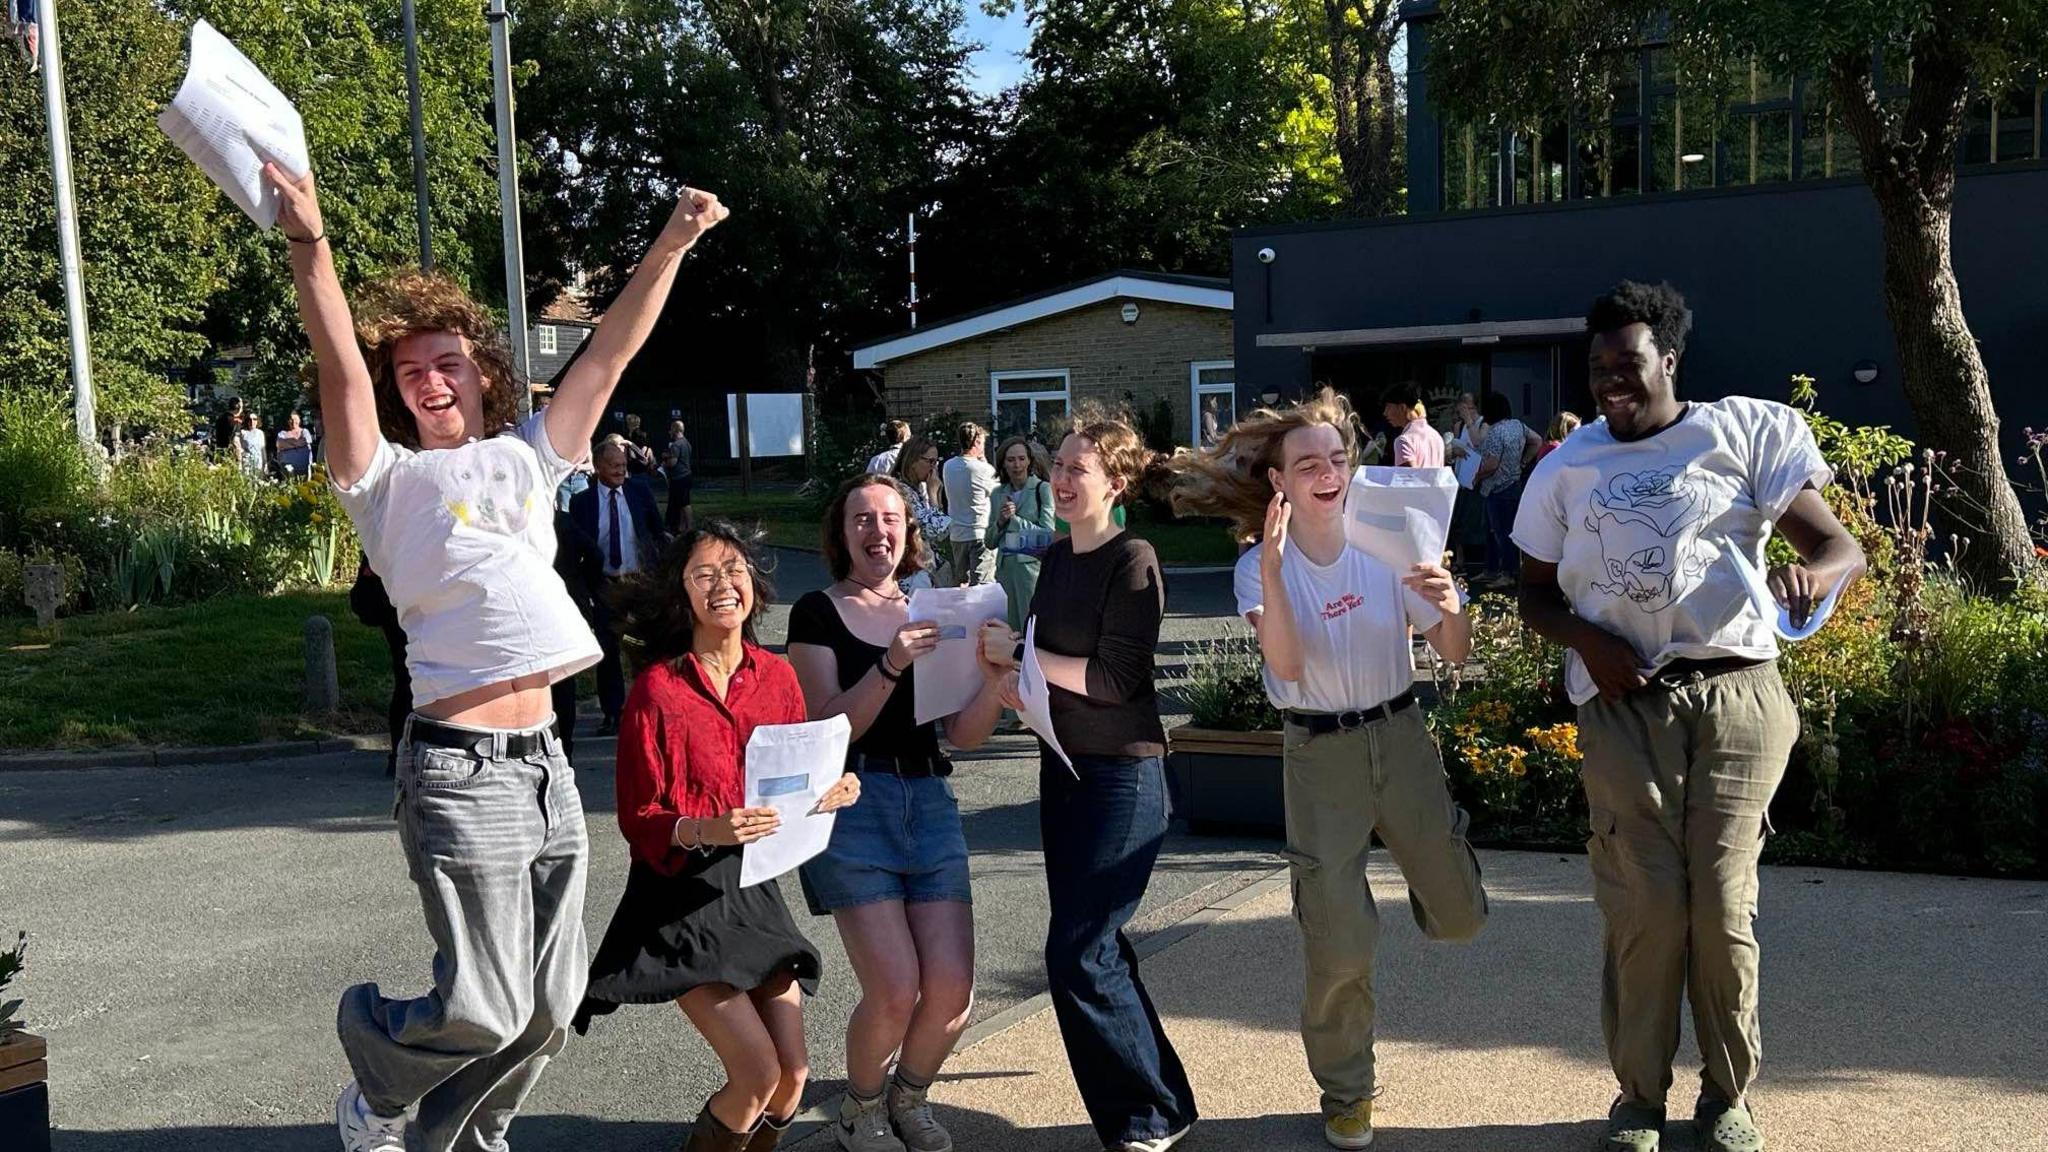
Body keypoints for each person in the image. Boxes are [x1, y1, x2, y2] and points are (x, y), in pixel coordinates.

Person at [261, 155, 725, 1152]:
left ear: (484, 372)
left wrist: (673, 242)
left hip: (547, 768)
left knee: (549, 1011)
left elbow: (605, 354)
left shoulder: (527, 455)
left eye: (449, 363)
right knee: (480, 1003)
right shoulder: (377, 480)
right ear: (396, 394)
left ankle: (457, 1138)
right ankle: (376, 1068)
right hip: (458, 770)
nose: (431, 380)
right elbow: (338, 358)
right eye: (411, 371)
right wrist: (311, 243)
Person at [1513, 281, 1865, 1152]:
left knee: (1722, 904)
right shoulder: (1566, 467)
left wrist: (1812, 579)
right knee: (1647, 904)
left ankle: (1727, 1096)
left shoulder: (1743, 432)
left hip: (1739, 692)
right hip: (1625, 703)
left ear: (1669, 359)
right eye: (1597, 369)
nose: (1608, 384)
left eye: (1626, 364)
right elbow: (1531, 596)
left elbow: (1837, 546)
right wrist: (1587, 644)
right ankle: (1639, 1099)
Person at [1169, 389, 1486, 1150]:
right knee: (1339, 940)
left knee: (1463, 916)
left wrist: (1448, 605)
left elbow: (1454, 652)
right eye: (1307, 462)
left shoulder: (1390, 540)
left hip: (1401, 734)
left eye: (1338, 458)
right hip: (1319, 755)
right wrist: (1275, 573)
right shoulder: (1256, 570)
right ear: (1279, 480)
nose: (1328, 472)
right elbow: (1286, 662)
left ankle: (1427, 850)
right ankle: (1348, 1092)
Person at [575, 521, 860, 1152]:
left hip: (754, 890)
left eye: (733, 570)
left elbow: (791, 785)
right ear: (683, 595)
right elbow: (638, 816)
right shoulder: (657, 689)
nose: (722, 584)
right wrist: (704, 826)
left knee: (792, 1079)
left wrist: (833, 793)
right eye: (703, 574)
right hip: (680, 894)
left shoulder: (778, 678)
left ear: (753, 585)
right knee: (755, 1074)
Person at [981, 407, 1197, 1152]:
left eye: (1080, 468)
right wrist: (1020, 689)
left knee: (1077, 950)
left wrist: (1024, 659)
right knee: (1099, 946)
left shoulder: (1131, 557)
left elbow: (1114, 678)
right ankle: (1162, 1103)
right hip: (1064, 770)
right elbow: (1058, 677)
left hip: (1122, 777)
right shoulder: (1060, 561)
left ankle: (1146, 1118)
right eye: (1059, 465)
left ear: (1115, 482)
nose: (1062, 478)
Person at [788, 474, 1010, 1152]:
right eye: (862, 518)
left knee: (950, 993)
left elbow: (963, 735)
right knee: (893, 989)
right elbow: (829, 726)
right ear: (842, 532)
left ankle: (907, 1098)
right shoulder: (816, 613)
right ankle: (860, 1110)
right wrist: (889, 662)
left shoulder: (933, 609)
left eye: (889, 518)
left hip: (930, 801)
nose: (876, 530)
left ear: (909, 533)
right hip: (854, 804)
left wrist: (997, 675)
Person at [572, 437, 672, 736]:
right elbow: (578, 548)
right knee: (606, 650)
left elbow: (656, 531)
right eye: (613, 465)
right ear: (598, 466)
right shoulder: (582, 503)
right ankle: (613, 712)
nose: (619, 471)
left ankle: (649, 707)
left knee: (643, 647)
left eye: (623, 466)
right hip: (604, 585)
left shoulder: (639, 491)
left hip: (639, 582)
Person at [985, 436, 1054, 632]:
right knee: (1008, 629)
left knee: (1031, 627)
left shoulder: (1042, 489)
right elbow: (989, 542)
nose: (1017, 465)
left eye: (1021, 459)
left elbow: (1046, 534)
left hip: (1030, 572)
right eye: (1011, 460)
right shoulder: (998, 493)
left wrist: (1015, 521)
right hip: (1005, 570)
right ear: (1003, 464)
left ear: (1030, 461)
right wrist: (1000, 522)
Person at [1474, 392, 1541, 587]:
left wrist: (1477, 476)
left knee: (1500, 532)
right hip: (1513, 484)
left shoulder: (1495, 432)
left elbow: (1492, 465)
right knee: (1502, 531)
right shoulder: (1518, 426)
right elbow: (1537, 440)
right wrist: (1523, 462)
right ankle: (1494, 570)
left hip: (1497, 487)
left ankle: (1507, 573)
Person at [940, 422, 999, 587]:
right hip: (980, 532)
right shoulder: (983, 469)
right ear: (977, 442)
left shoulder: (948, 466)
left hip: (957, 534)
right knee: (982, 586)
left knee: (962, 585)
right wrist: (986, 463)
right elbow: (998, 492)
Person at [889, 435, 950, 589]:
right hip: (909, 575)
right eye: (930, 461)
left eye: (936, 462)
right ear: (913, 460)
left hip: (919, 569)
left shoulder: (913, 490)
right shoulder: (902, 491)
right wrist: (933, 495)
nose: (933, 469)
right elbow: (934, 531)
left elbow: (940, 532)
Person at [1379, 382, 1444, 469]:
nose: (1385, 413)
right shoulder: (1436, 436)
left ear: (1402, 407)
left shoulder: (1404, 441)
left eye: (1388, 407)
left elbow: (1408, 479)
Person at [665, 418, 695, 535]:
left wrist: (665, 463)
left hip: (679, 477)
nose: (669, 432)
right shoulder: (686, 443)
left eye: (671, 429)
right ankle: (683, 526)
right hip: (687, 475)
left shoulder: (676, 445)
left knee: (685, 503)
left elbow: (673, 462)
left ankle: (690, 526)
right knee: (682, 503)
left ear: (675, 430)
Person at [277, 411, 315, 478]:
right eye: (291, 419)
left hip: (305, 469)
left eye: (296, 419)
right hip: (288, 470)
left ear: (299, 420)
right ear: (288, 421)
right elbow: (280, 444)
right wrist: (298, 443)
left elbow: (306, 441)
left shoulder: (305, 432)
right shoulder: (282, 434)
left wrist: (288, 443)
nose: (293, 421)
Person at [237, 412, 268, 479]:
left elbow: (263, 449)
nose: (252, 421)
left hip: (258, 463)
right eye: (250, 419)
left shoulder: (260, 433)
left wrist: (265, 464)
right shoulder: (243, 433)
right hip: (247, 463)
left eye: (254, 419)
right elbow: (240, 449)